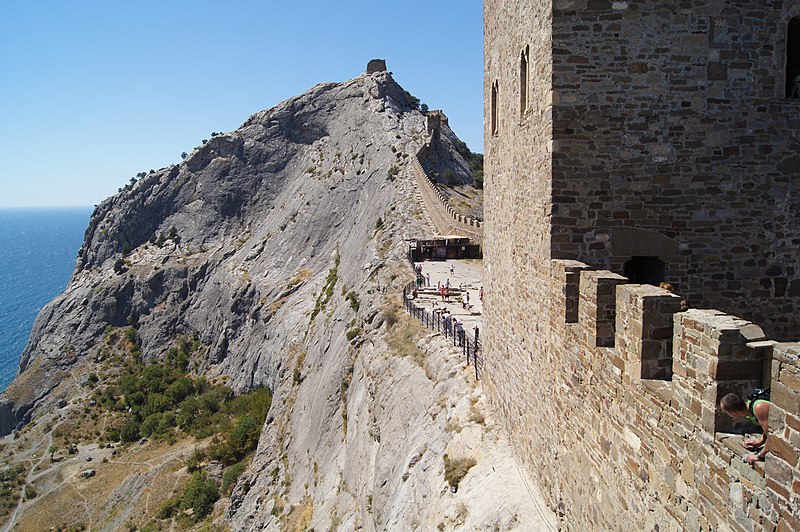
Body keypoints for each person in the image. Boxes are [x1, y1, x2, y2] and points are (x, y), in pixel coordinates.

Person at [720, 392, 771, 465]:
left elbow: (772, 436)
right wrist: (760, 442)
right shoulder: (749, 411)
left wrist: (759, 455)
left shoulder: (758, 408)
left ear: (733, 413)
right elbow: (767, 428)